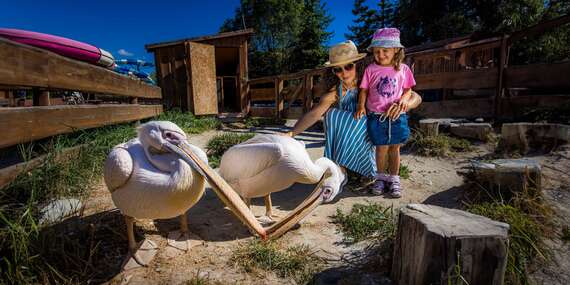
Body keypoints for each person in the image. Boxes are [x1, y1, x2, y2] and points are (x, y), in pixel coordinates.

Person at [285, 40, 421, 188]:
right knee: (331, 115)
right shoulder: (335, 93)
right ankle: (340, 168)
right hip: (349, 140)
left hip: (372, 137)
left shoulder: (372, 81)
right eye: (338, 69)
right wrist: (291, 133)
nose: (344, 73)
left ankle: (369, 170)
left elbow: (416, 97)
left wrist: (405, 104)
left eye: (348, 66)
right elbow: (314, 114)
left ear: (357, 64)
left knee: (361, 119)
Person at [354, 28, 416, 198]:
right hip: (376, 115)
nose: (380, 55)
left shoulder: (403, 69)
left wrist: (405, 99)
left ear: (396, 50)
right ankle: (380, 178)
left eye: (385, 51)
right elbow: (364, 91)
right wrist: (361, 107)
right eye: (377, 51)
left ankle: (394, 178)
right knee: (381, 148)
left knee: (394, 148)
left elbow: (408, 90)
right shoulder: (371, 69)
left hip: (397, 116)